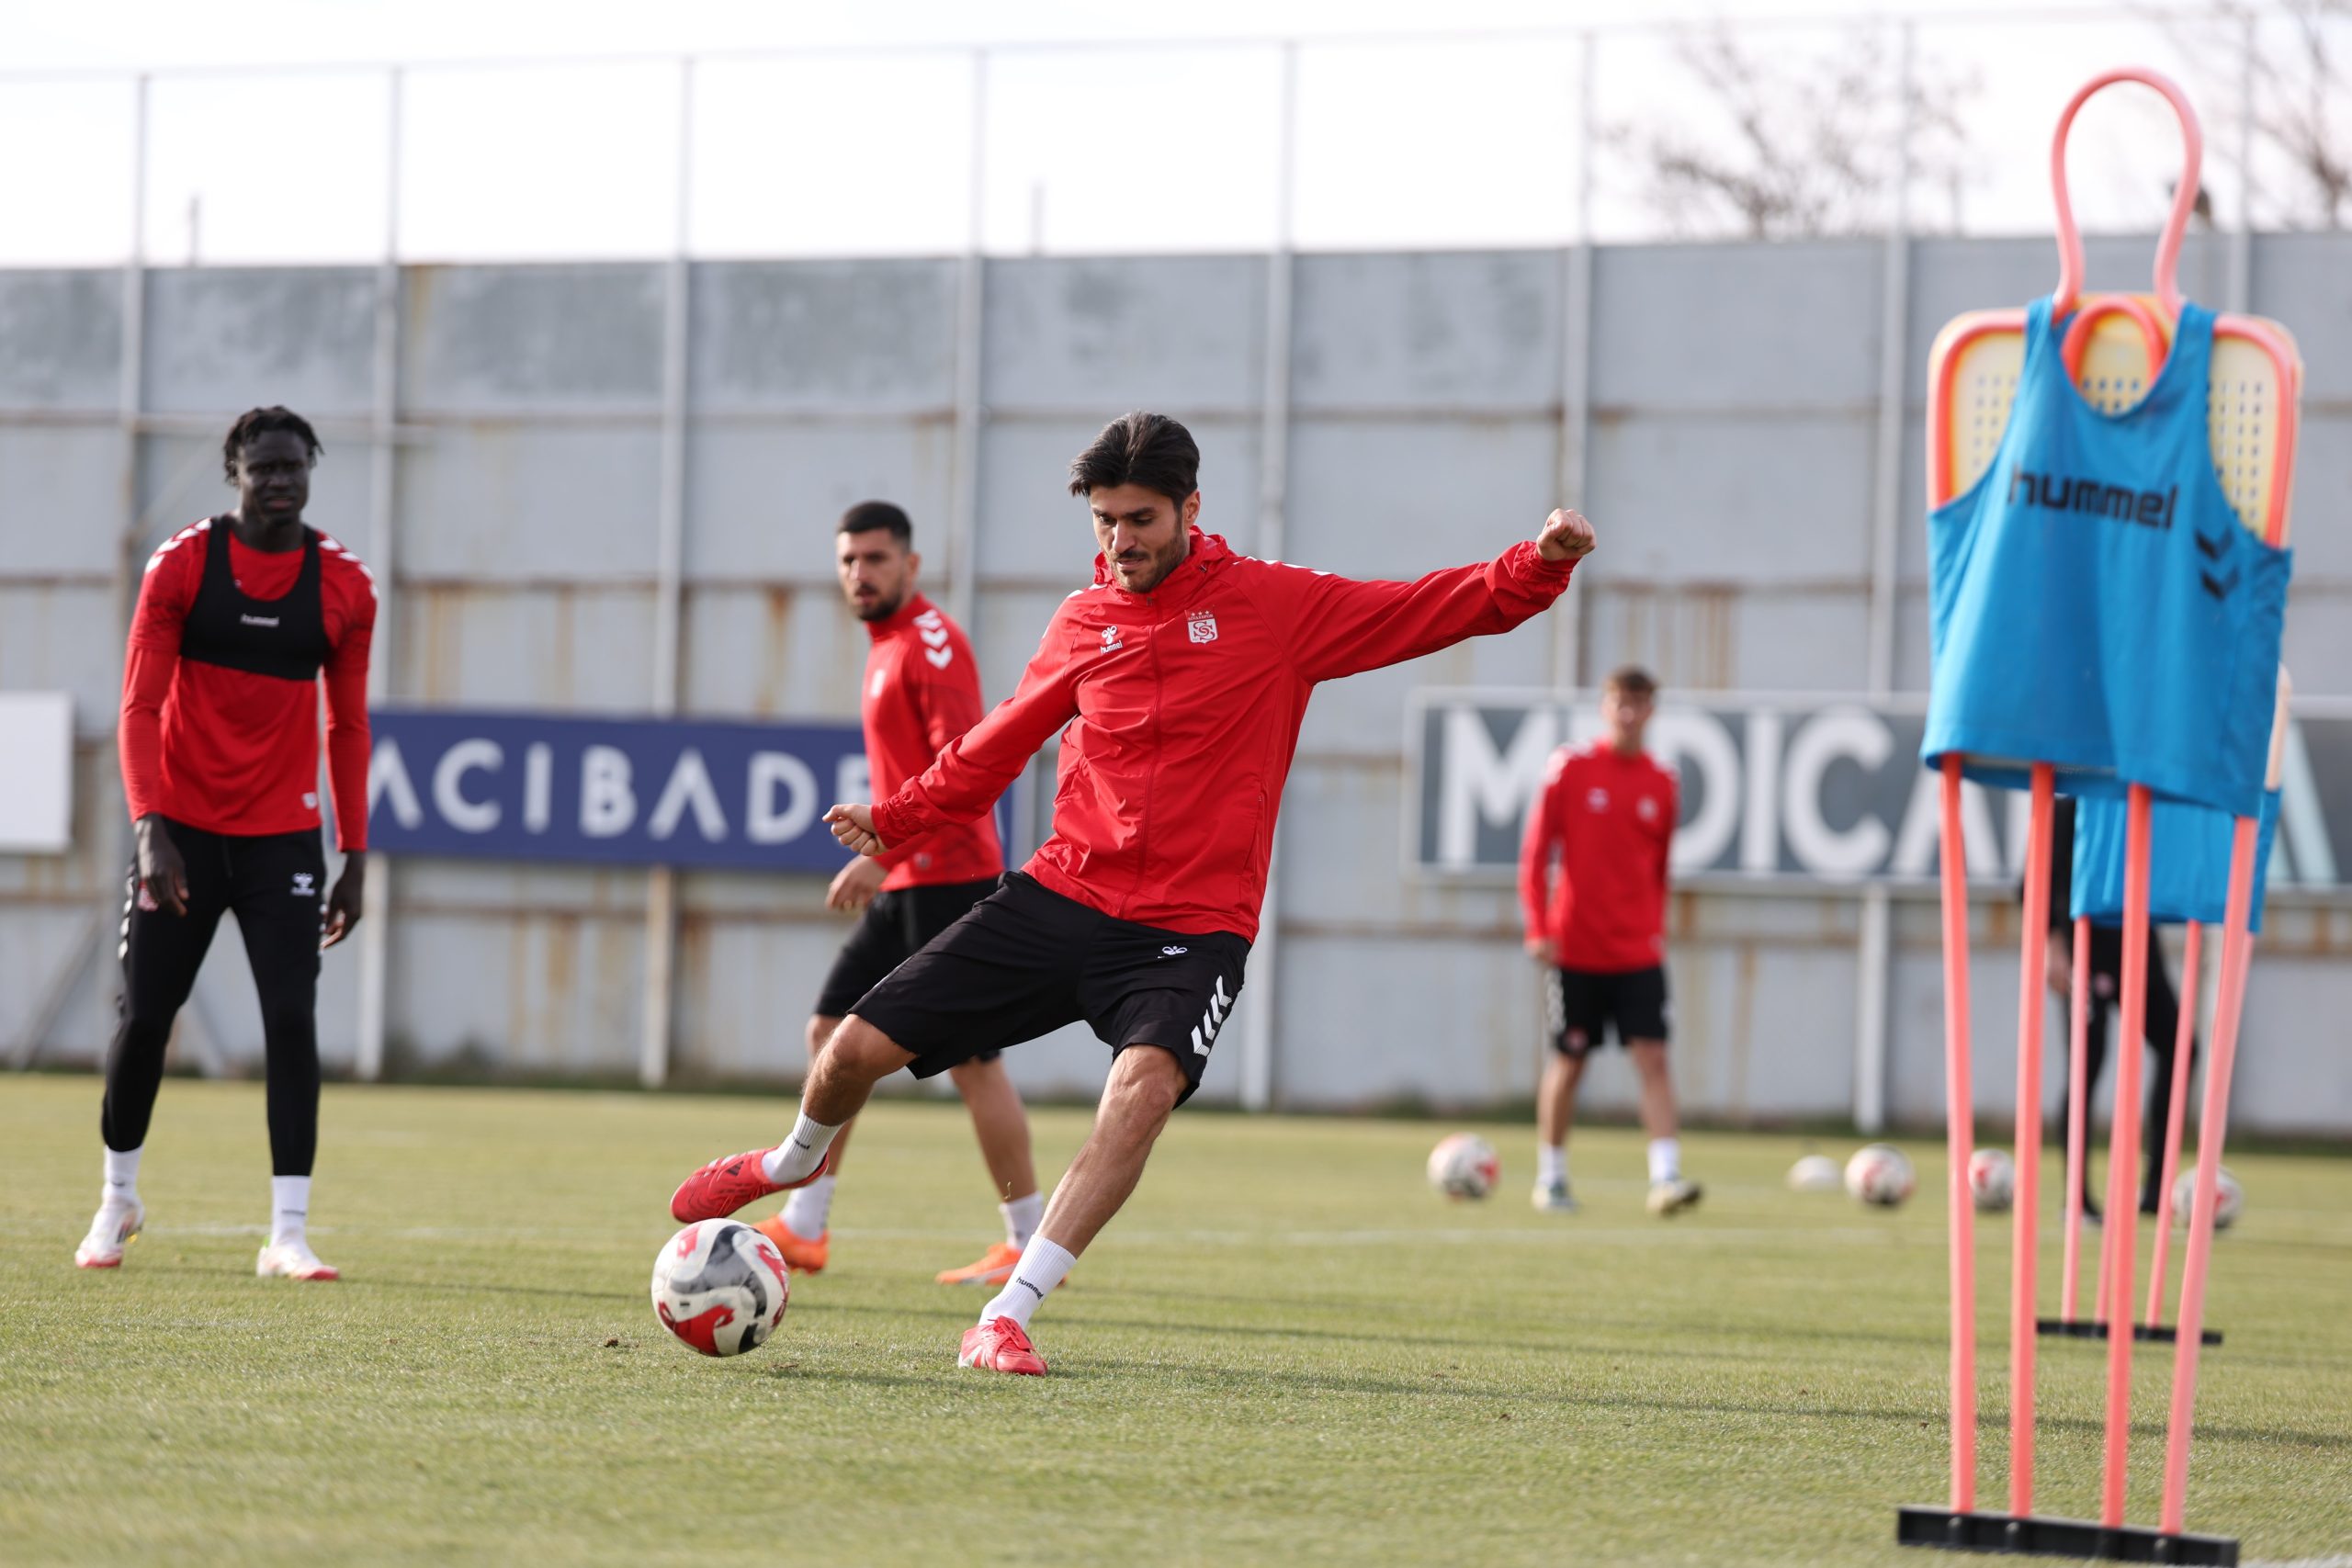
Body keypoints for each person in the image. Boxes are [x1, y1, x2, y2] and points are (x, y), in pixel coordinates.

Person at [670, 410, 1594, 1374]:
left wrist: (1538, 564)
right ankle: (789, 1163)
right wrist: (899, 818)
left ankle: (1008, 1314)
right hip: (1062, 895)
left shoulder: (1272, 609)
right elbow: (998, 743)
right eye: (1106, 520)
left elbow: (1424, 609)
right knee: (851, 1049)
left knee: (1143, 1088)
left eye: (1141, 519)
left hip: (1190, 926)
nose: (1121, 541)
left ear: (1192, 508)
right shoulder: (1083, 618)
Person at [79, 406, 376, 1281]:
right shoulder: (179, 567)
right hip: (178, 833)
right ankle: (115, 1199)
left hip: (282, 837)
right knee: (144, 1020)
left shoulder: (344, 587)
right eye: (263, 468)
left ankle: (287, 1230)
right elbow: (137, 708)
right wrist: (149, 828)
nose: (279, 480)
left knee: (291, 1020)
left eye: (293, 466)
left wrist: (354, 853)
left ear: (311, 470)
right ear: (234, 474)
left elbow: (348, 725)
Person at [749, 502, 1046, 1288]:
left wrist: (886, 854)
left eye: (875, 559)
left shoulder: (931, 645)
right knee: (827, 1032)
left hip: (948, 876)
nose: (860, 573)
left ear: (911, 565)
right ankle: (807, 1224)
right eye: (849, 561)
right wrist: (890, 855)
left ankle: (1029, 1239)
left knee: (976, 1066)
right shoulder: (887, 645)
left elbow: (968, 771)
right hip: (909, 873)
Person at [1517, 666, 1700, 1218]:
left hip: (1638, 949)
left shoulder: (1662, 781)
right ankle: (1551, 1178)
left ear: (1651, 710)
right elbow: (1536, 851)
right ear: (1605, 707)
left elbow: (1661, 866)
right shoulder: (1570, 768)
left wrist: (1655, 927)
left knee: (1654, 1057)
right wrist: (1538, 925)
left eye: (1639, 701)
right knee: (1571, 1060)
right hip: (1576, 947)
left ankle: (1666, 1178)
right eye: (1620, 700)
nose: (1628, 711)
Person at [2038, 796, 2194, 1218]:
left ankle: (2156, 1192)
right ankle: (2077, 1198)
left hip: (2137, 942)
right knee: (2087, 1064)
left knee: (2181, 1048)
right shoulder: (2073, 796)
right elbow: (2037, 875)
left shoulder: (2143, 792)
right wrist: (2053, 944)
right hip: (2083, 942)